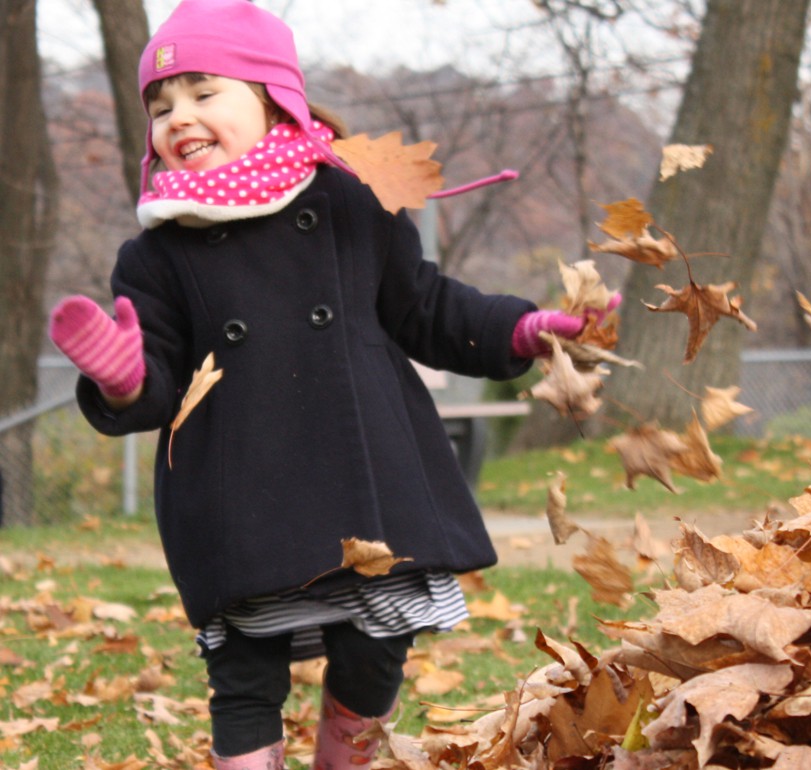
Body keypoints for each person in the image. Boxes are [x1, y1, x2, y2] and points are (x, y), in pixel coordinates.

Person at [47, 1, 616, 768]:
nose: (178, 117)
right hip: (237, 493)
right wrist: (124, 380)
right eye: (161, 104)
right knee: (245, 674)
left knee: (374, 649)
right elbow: (158, 389)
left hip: (366, 483)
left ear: (273, 96)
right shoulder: (155, 254)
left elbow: (427, 307)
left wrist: (521, 328)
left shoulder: (349, 201)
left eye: (204, 92)